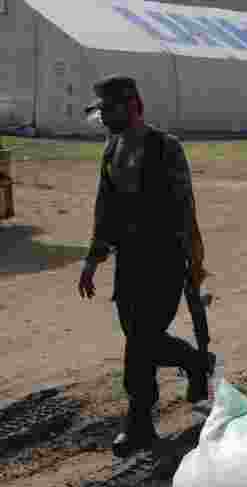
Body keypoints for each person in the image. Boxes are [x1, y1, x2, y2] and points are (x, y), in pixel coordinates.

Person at [77, 75, 212, 458]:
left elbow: (185, 208)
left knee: (140, 340)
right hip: (130, 262)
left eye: (108, 110)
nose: (103, 118)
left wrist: (194, 261)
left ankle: (138, 422)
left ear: (131, 106)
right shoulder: (112, 149)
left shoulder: (166, 147)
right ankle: (194, 362)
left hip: (165, 259)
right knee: (141, 337)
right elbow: (107, 209)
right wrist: (93, 258)